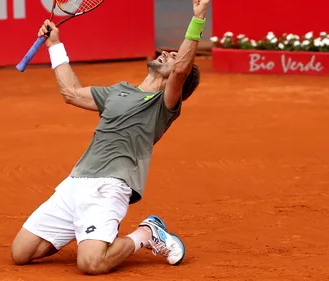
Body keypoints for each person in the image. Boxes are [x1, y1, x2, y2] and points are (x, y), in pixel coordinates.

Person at [11, 0, 209, 275]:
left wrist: (198, 19)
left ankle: (146, 233)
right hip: (75, 182)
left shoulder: (163, 105)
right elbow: (70, 92)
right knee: (20, 253)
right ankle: (86, 229)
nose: (166, 53)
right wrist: (55, 44)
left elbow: (180, 71)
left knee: (91, 264)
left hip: (110, 186)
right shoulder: (118, 92)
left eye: (173, 56)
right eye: (169, 52)